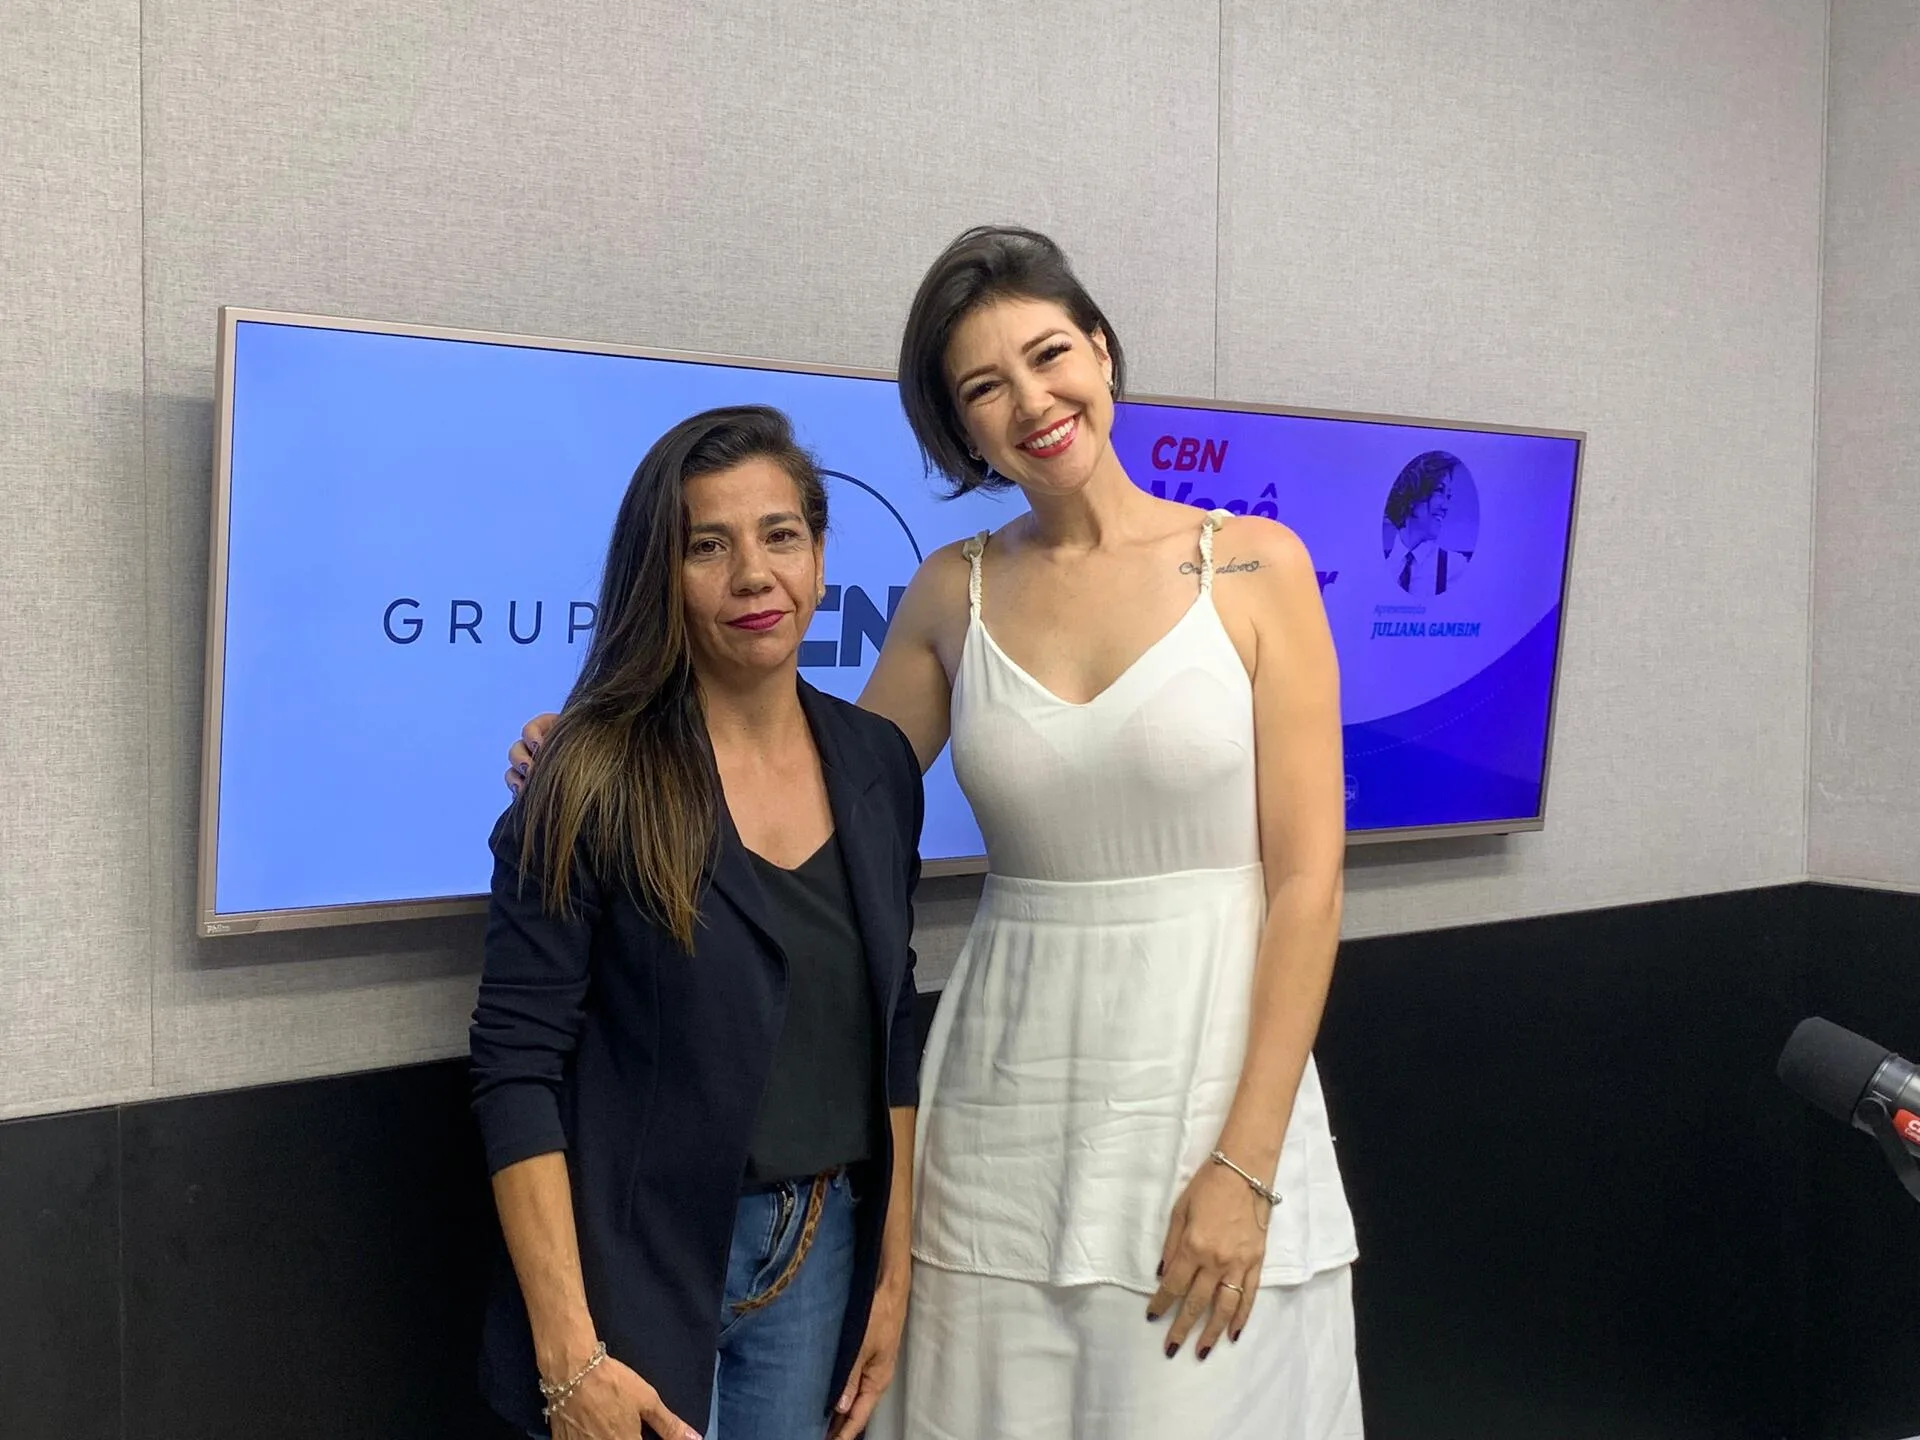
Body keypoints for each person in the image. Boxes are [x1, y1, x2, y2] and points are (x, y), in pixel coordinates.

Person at [512, 227, 1360, 1438]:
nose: (1033, 401)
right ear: (962, 431)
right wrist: (603, 751)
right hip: (1004, 1102)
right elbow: (806, 780)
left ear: (1103, 352)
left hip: (1208, 1088)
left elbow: (1309, 886)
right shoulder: (951, 590)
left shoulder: (1256, 568)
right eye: (984, 387)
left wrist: (1247, 1160)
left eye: (1050, 354)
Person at [473, 405, 924, 1440]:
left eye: (780, 535)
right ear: (659, 576)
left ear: (817, 556)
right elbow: (515, 1068)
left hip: (820, 1258)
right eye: (706, 546)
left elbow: (893, 1024)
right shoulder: (589, 776)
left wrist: (893, 1271)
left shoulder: (878, 766)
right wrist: (567, 1353)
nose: (752, 576)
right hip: (627, 1267)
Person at [1383, 450, 1471, 597]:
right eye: (1439, 491)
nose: (1446, 506)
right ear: (1411, 494)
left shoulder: (1456, 568)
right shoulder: (1379, 566)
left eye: (1448, 496)